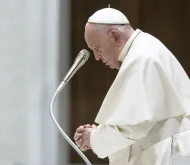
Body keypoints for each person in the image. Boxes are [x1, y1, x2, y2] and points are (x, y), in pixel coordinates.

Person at [73, 7, 190, 165]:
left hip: (166, 154)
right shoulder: (143, 48)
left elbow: (132, 128)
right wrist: (97, 132)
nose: (96, 57)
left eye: (97, 48)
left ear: (115, 36)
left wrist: (93, 138)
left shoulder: (142, 58)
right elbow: (131, 120)